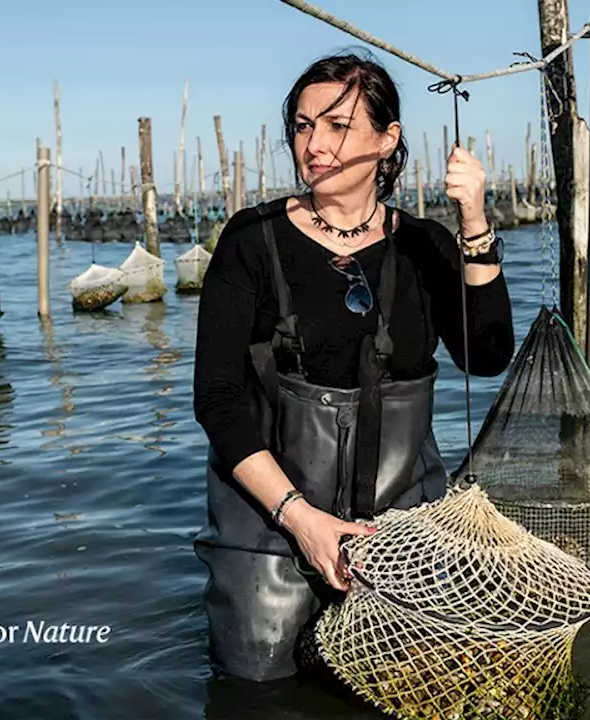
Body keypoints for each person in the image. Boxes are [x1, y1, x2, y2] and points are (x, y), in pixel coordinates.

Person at [192, 50, 515, 682]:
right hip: (271, 526)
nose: (315, 144)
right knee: (260, 690)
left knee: (418, 686)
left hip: (404, 529)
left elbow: (488, 354)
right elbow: (218, 399)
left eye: (337, 125)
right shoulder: (251, 241)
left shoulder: (424, 245)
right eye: (304, 125)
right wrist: (304, 523)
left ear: (387, 138)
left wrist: (474, 224)